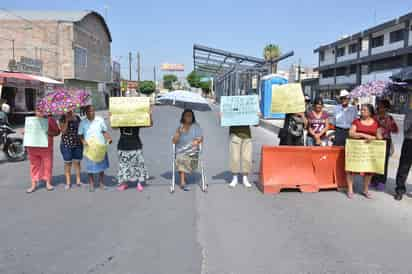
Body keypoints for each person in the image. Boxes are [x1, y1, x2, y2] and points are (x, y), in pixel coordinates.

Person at [346, 104, 382, 199]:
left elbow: (379, 137)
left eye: (364, 110)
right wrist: (364, 135)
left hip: (369, 151)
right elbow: (351, 133)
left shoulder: (376, 123)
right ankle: (350, 189)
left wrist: (373, 138)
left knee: (369, 170)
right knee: (351, 169)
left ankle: (365, 189)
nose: (362, 111)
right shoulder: (356, 121)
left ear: (370, 112)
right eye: (361, 110)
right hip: (356, 149)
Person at [116, 109, 153, 192]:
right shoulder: (121, 119)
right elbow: (113, 127)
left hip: (136, 145)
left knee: (138, 165)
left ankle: (139, 183)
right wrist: (111, 116)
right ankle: (124, 183)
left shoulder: (137, 120)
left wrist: (149, 115)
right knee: (124, 166)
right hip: (122, 146)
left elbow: (149, 124)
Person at [78, 105, 112, 192]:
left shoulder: (100, 120)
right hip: (89, 148)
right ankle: (91, 184)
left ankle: (101, 183)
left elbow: (104, 131)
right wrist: (83, 141)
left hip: (100, 146)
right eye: (89, 111)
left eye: (93, 111)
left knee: (101, 166)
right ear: (86, 113)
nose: (91, 113)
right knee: (90, 167)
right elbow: (80, 135)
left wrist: (108, 138)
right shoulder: (83, 123)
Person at [26, 109, 60, 193]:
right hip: (33, 147)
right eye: (38, 111)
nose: (39, 113)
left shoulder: (50, 120)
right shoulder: (31, 121)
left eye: (41, 111)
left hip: (46, 147)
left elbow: (57, 132)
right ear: (35, 112)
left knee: (48, 165)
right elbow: (27, 132)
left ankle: (48, 183)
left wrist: (49, 133)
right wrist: (25, 132)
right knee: (34, 166)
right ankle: (33, 184)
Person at [371, 99, 398, 191]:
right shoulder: (374, 117)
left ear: (386, 108)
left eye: (382, 106)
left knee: (384, 162)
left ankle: (382, 182)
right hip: (375, 140)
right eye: (379, 106)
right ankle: (374, 180)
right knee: (374, 160)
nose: (380, 108)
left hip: (386, 141)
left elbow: (395, 130)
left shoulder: (390, 118)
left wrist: (387, 126)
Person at [172, 109, 203, 191]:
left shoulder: (196, 126)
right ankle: (182, 182)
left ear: (193, 117)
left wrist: (197, 141)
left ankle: (183, 175)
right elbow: (174, 141)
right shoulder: (180, 127)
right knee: (181, 158)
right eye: (187, 115)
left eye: (190, 115)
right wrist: (178, 133)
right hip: (181, 150)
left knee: (190, 165)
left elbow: (201, 138)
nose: (189, 117)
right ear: (183, 117)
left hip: (192, 151)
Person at [59, 110, 83, 190]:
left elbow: (81, 130)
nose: (69, 111)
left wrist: (76, 120)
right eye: (67, 110)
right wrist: (67, 121)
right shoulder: (62, 118)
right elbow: (63, 131)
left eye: (70, 109)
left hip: (77, 143)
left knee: (77, 162)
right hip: (66, 144)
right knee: (68, 163)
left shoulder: (77, 118)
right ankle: (68, 182)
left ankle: (78, 180)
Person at [394, 107, 412, 201]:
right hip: (410, 141)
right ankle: (399, 190)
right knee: (404, 167)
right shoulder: (410, 112)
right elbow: (405, 129)